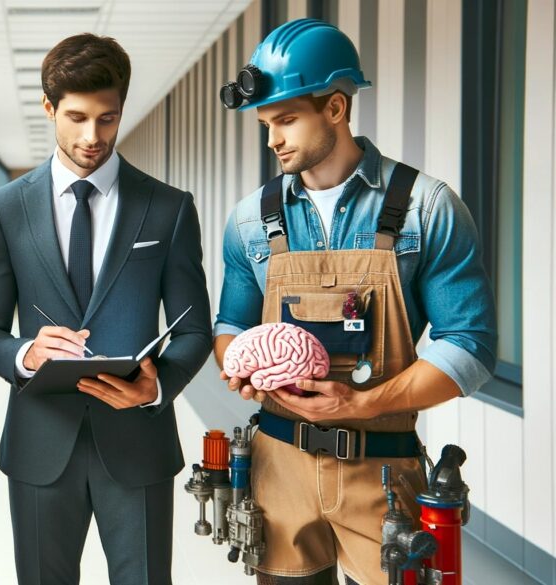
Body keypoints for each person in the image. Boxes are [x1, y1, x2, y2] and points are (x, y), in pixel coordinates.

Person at [212, 19, 497, 585]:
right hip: (279, 466)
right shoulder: (249, 219)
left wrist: (358, 404)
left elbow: (471, 347)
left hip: (384, 472)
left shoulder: (426, 208)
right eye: (267, 124)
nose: (273, 140)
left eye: (287, 120)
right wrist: (238, 366)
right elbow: (231, 325)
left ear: (337, 108)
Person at [0, 33, 212, 585]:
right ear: (49, 107)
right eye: (76, 117)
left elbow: (195, 329)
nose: (92, 136)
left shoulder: (169, 208)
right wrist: (26, 353)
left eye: (107, 119)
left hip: (139, 442)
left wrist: (156, 387)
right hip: (39, 444)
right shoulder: (5, 208)